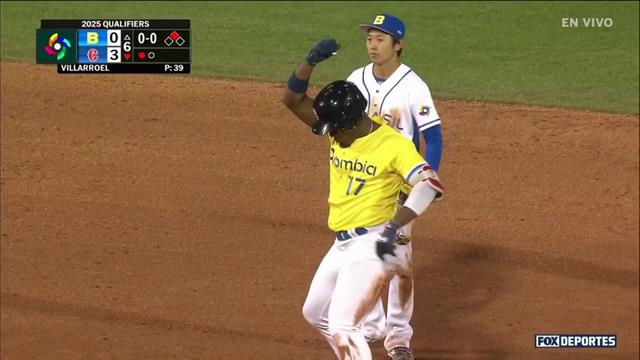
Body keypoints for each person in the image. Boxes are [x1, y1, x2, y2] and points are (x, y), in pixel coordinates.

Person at [281, 38, 444, 360]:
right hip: (341, 243)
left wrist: (392, 228)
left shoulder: (393, 145)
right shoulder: (340, 128)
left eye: (333, 130)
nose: (329, 135)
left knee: (344, 327)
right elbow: (291, 100)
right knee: (315, 314)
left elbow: (430, 185)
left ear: (353, 121)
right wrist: (309, 61)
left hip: (373, 241)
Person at [347, 14, 444, 359]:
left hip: (399, 184)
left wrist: (424, 182)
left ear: (398, 44)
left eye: (381, 39)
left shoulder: (413, 86)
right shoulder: (356, 78)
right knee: (359, 253)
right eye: (370, 38)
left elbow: (432, 137)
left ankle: (399, 338)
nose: (373, 45)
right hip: (362, 184)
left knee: (399, 260)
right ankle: (373, 323)